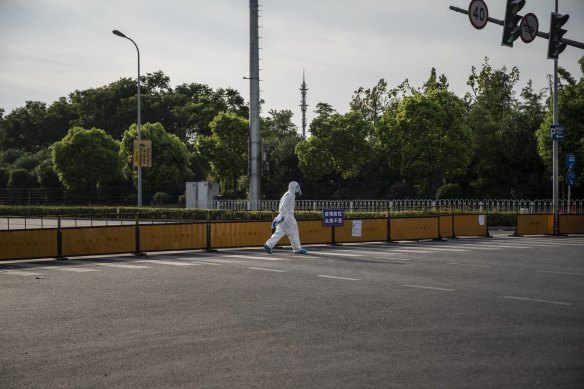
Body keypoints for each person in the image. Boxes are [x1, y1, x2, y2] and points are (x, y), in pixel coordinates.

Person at [264, 181, 307, 255]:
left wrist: (281, 216)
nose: (298, 189)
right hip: (288, 217)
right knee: (294, 232)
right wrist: (283, 216)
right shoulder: (290, 194)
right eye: (297, 187)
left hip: (283, 216)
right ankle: (297, 249)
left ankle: (269, 245)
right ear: (294, 187)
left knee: (279, 232)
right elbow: (283, 206)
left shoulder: (287, 194)